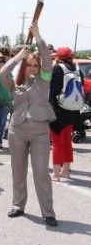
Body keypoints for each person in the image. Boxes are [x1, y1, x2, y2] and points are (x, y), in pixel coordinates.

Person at [0, 23, 57, 227]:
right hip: (17, 132)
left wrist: (37, 36)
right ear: (24, 67)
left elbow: (48, 61)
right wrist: (18, 56)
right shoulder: (15, 85)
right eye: (29, 65)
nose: (33, 68)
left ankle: (48, 212)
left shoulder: (44, 80)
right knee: (18, 170)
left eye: (35, 65)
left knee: (41, 172)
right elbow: (2, 75)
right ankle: (18, 205)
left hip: (40, 132)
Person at [48, 47, 83, 181]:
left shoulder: (58, 69)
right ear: (70, 56)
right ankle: (66, 171)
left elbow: (53, 92)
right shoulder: (78, 69)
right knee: (67, 141)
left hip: (58, 110)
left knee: (56, 142)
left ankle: (56, 173)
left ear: (58, 57)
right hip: (73, 110)